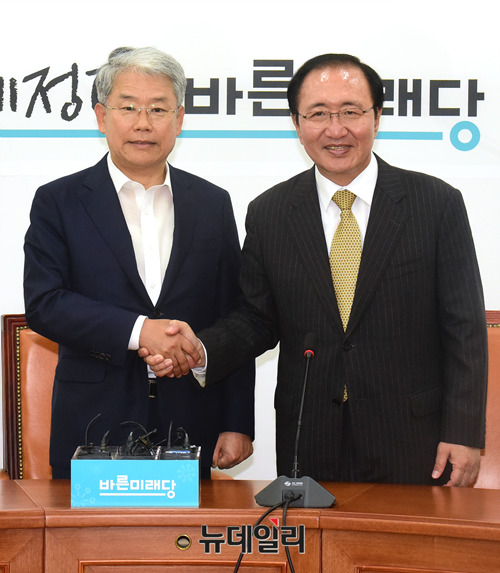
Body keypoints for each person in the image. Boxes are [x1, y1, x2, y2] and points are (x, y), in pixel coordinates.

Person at [143, 53, 488, 487]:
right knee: (310, 536)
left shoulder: (435, 204)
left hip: (414, 438)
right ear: (296, 123)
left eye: (351, 112)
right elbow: (256, 319)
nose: (335, 129)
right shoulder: (270, 212)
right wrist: (202, 350)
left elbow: (464, 328)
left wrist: (463, 432)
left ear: (377, 117)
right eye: (318, 114)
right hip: (309, 437)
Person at [23, 46, 255, 479]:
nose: (143, 123)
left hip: (191, 421)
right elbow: (45, 303)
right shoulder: (59, 201)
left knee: (185, 527)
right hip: (93, 423)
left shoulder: (212, 203)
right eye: (128, 107)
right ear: (101, 116)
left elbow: (236, 314)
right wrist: (139, 331)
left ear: (179, 119)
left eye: (158, 109)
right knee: (91, 527)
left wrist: (237, 421)